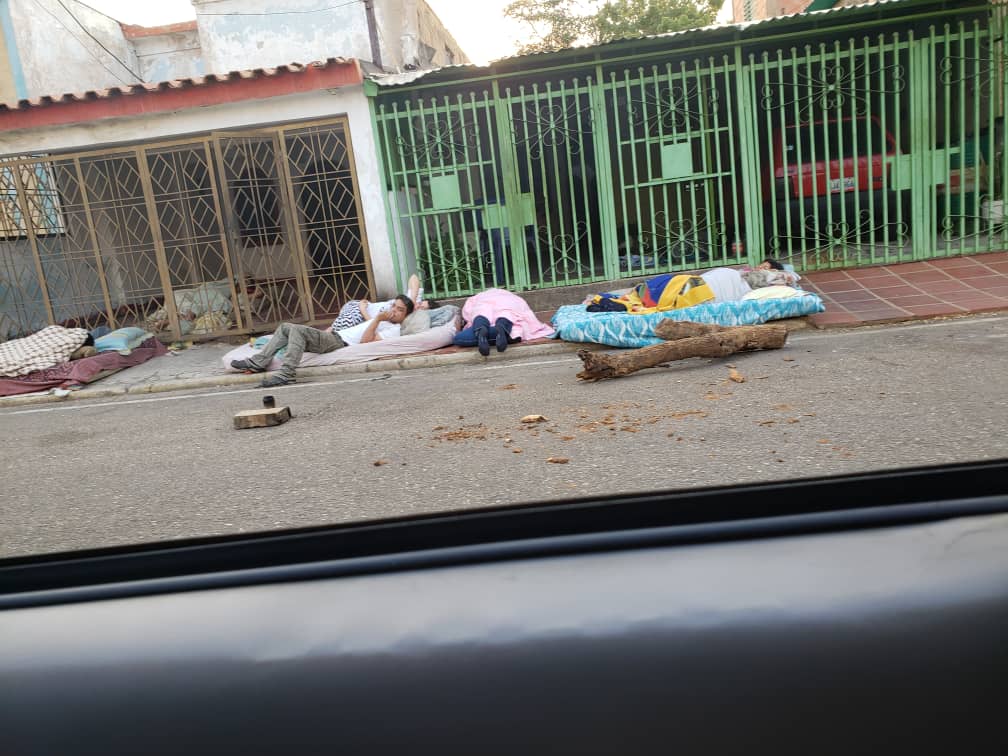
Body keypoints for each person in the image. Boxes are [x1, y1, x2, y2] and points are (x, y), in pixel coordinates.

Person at [232, 294, 415, 387]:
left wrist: (377, 320)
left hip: (337, 342)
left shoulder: (393, 329)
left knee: (295, 329)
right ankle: (258, 361)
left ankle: (286, 373)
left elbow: (367, 341)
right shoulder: (381, 317)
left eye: (400, 310)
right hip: (334, 335)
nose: (394, 310)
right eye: (394, 306)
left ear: (405, 315)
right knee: (285, 327)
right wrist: (374, 317)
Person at [453, 288, 555, 357]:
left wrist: (470, 322)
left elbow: (468, 312)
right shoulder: (514, 298)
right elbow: (524, 310)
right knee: (507, 314)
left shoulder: (476, 298)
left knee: (480, 314)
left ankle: (480, 330)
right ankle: (502, 327)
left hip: (482, 307)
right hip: (508, 307)